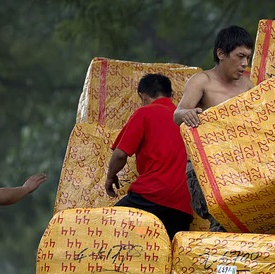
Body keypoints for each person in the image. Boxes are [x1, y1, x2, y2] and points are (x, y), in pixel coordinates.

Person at [174, 25, 254, 232]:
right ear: (221, 54)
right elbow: (177, 114)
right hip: (205, 168)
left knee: (251, 217)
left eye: (248, 58)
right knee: (223, 219)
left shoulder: (247, 86)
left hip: (239, 164)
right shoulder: (202, 80)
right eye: (240, 56)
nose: (245, 64)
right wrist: (188, 114)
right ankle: (218, 263)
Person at [105, 73, 192, 240]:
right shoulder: (186, 119)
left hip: (152, 196)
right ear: (170, 95)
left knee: (108, 227)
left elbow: (120, 154)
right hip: (183, 204)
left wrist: (110, 177)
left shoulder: (144, 113)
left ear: (142, 95)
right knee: (167, 253)